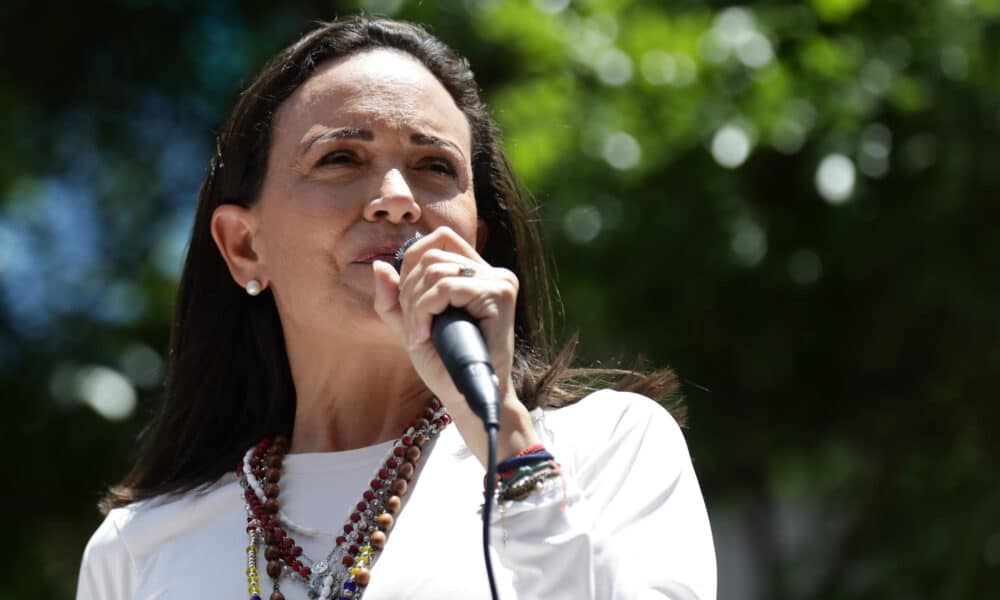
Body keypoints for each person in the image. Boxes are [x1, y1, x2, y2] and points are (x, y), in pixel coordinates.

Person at [76, 16, 716, 600]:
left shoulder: (604, 449)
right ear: (245, 247)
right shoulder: (138, 549)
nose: (396, 200)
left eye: (435, 166)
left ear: (476, 243)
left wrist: (504, 437)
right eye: (341, 158)